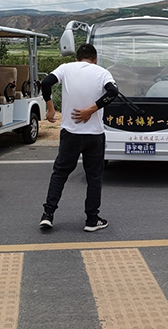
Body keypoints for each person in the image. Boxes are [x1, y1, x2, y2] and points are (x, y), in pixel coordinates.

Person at [39, 43, 118, 232]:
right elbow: (113, 92)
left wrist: (50, 108)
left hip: (70, 133)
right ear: (95, 59)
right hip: (94, 135)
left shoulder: (66, 68)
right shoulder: (102, 72)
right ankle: (92, 219)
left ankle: (48, 214)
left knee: (60, 173)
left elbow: (46, 83)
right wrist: (91, 110)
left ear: (77, 58)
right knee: (94, 178)